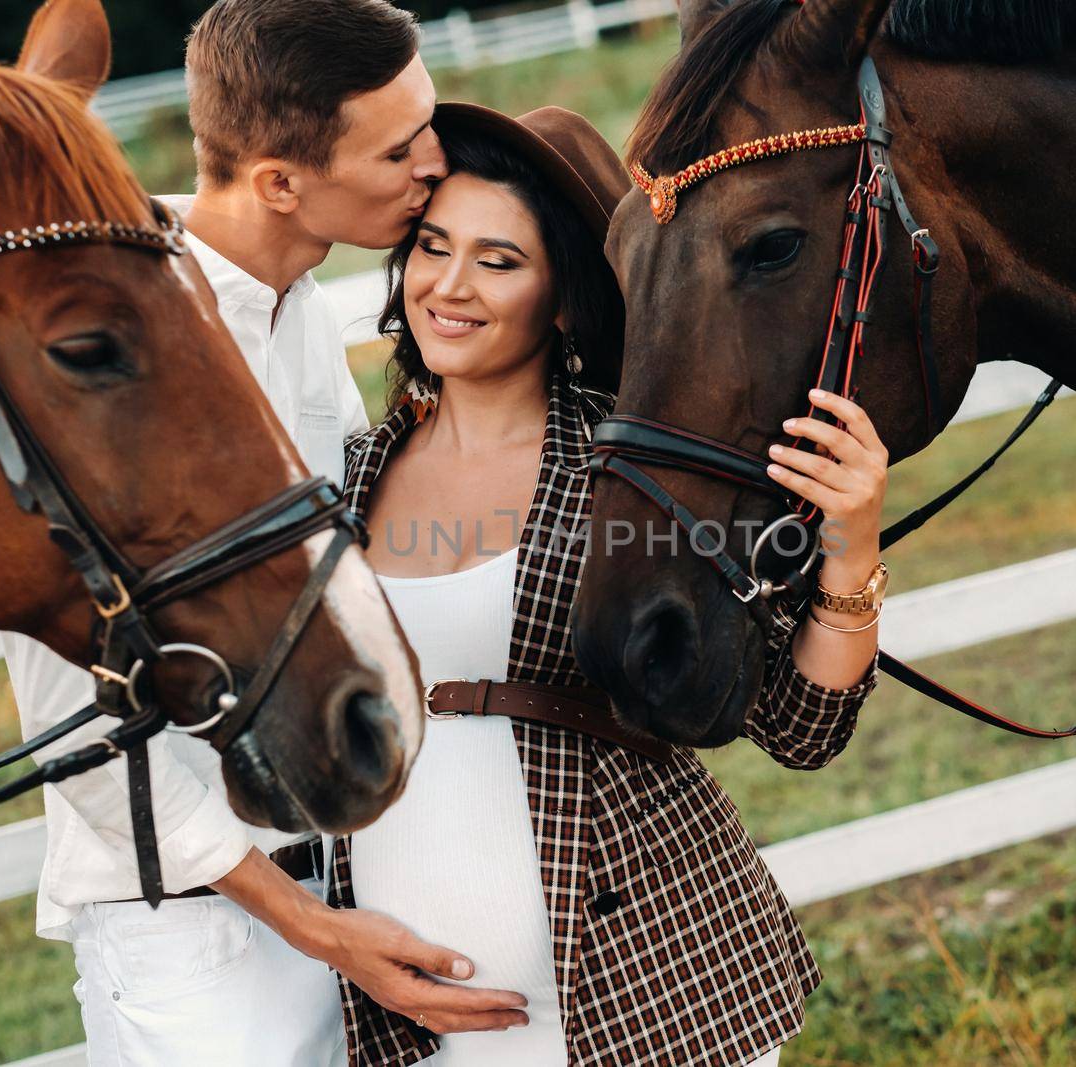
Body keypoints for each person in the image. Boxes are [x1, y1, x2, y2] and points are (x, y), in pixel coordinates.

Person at [328, 103, 890, 1065]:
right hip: (415, 1021)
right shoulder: (351, 474)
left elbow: (801, 725)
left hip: (651, 991)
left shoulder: (629, 467)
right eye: (433, 247)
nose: (449, 287)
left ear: (560, 297)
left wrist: (853, 544)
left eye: (498, 261)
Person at [0, 1, 482, 1062]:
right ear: (278, 183)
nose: (435, 165)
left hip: (338, 874)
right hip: (195, 921)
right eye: (400, 148)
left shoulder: (298, 304)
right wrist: (308, 925)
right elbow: (69, 728)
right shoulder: (106, 345)